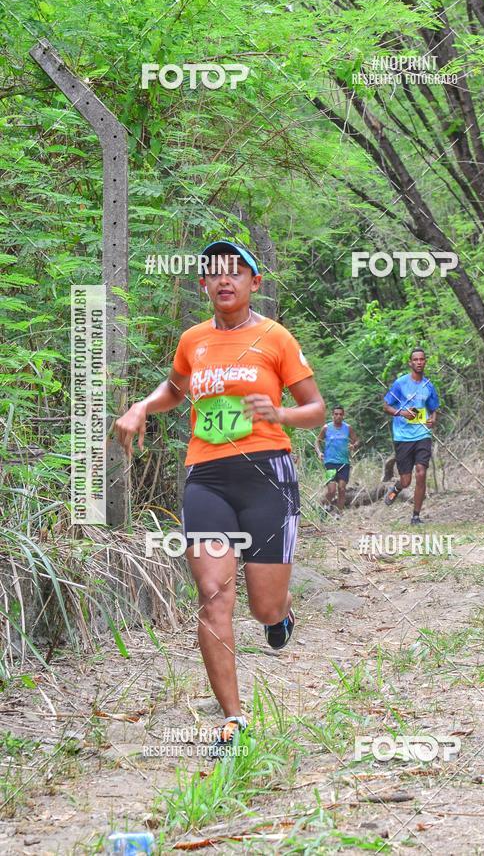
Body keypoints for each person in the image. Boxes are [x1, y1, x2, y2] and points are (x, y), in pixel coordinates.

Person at [115, 240, 325, 755]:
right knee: (213, 596)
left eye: (235, 271)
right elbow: (175, 389)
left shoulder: (275, 337)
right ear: (203, 285)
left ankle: (281, 616)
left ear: (255, 282)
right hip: (206, 476)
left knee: (263, 605)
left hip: (266, 475)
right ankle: (232, 720)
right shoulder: (193, 340)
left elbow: (316, 409)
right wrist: (143, 406)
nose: (224, 279)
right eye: (214, 273)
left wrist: (279, 415)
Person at [382, 348, 440, 524]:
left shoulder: (428, 385)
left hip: (422, 434)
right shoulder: (400, 384)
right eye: (415, 359)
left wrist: (433, 420)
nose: (419, 362)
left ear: (425, 362)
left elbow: (434, 408)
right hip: (403, 437)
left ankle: (416, 516)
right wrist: (401, 413)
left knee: (421, 473)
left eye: (422, 359)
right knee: (406, 481)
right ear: (410, 363)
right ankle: (397, 488)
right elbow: (386, 406)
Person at [315, 406, 359, 514]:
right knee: (331, 490)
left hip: (344, 463)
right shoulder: (326, 428)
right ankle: (322, 508)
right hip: (329, 463)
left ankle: (339, 514)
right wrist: (319, 452)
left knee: (342, 489)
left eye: (340, 414)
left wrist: (354, 446)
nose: (338, 416)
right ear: (332, 415)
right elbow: (317, 441)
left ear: (343, 416)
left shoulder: (348, 428)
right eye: (336, 414)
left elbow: (357, 440)